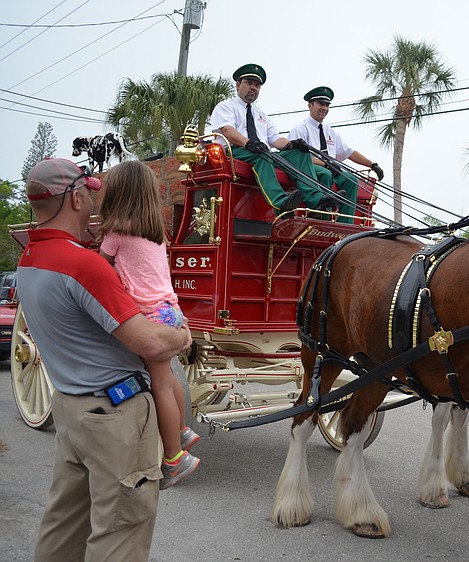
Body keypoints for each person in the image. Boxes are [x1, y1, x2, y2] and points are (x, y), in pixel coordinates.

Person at [17, 159, 192, 562]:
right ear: (77, 198)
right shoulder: (84, 265)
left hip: (71, 408)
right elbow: (149, 343)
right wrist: (183, 335)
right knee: (119, 536)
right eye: (90, 192)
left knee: (64, 525)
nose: (95, 198)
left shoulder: (29, 261)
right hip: (115, 417)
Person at [98, 160, 201, 489]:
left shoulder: (117, 234)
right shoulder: (156, 235)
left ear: (118, 193)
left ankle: (174, 459)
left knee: (158, 384)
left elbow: (98, 271)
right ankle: (182, 431)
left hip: (150, 316)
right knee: (167, 377)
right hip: (170, 311)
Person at [210, 63, 315, 216]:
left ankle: (315, 199)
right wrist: (249, 143)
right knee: (263, 155)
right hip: (235, 151)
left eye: (257, 85)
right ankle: (281, 203)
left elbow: (275, 140)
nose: (254, 88)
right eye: (249, 83)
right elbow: (227, 131)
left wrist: (293, 144)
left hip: (261, 152)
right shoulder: (226, 106)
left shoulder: (261, 115)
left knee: (300, 155)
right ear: (238, 85)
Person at [287, 86, 384, 224]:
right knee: (324, 174)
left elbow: (349, 152)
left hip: (331, 170)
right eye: (320, 104)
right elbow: (295, 157)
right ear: (310, 105)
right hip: (311, 170)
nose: (324, 108)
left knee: (350, 180)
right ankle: (323, 223)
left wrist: (372, 164)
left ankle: (346, 224)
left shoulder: (330, 132)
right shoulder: (300, 129)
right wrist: (326, 164)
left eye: (327, 105)